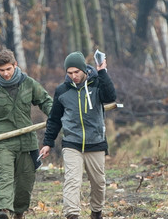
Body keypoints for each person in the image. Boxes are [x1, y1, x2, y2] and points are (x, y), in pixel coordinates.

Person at [0, 49, 53, 219]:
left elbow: (45, 101)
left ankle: (19, 213)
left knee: (25, 183)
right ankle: (3, 210)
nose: (5, 74)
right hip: (3, 141)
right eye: (1, 70)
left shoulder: (29, 83)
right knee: (6, 177)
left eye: (8, 69)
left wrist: (54, 117)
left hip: (27, 141)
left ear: (15, 65)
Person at [39, 51, 117, 219]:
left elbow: (110, 97)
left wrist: (102, 71)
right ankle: (72, 215)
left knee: (99, 184)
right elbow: (54, 119)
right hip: (72, 143)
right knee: (72, 182)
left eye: (76, 72)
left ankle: (96, 212)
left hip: (95, 142)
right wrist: (48, 142)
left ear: (84, 70)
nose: (73, 76)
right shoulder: (62, 91)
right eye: (69, 73)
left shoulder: (97, 84)